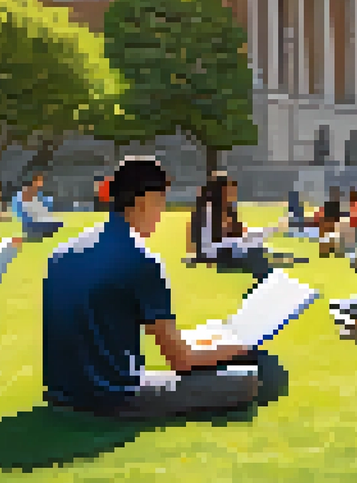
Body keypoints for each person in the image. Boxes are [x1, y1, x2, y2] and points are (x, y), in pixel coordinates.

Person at [44, 157, 273, 419]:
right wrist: (240, 346)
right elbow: (181, 360)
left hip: (62, 392)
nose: (161, 213)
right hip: (113, 397)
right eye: (161, 203)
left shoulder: (61, 252)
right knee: (249, 377)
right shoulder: (142, 260)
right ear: (145, 201)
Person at [189, 173, 274, 280]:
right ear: (220, 192)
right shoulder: (209, 210)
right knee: (255, 252)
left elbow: (233, 233)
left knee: (256, 248)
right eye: (230, 191)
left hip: (222, 248)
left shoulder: (224, 209)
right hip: (214, 252)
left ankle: (265, 277)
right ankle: (264, 279)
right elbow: (209, 242)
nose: (233, 195)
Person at [13, 172, 64, 241]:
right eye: (39, 180)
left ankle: (36, 235)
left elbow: (45, 208)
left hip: (40, 222)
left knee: (59, 225)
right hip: (33, 224)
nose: (41, 183)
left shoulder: (38, 194)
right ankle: (34, 235)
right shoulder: (24, 194)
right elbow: (22, 213)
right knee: (58, 226)